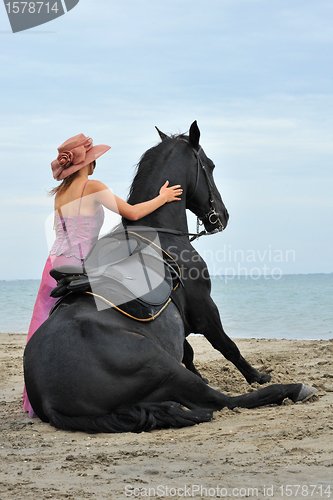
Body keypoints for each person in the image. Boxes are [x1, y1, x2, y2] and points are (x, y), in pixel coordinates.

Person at [23, 133, 183, 417]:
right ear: (87, 163)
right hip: (82, 262)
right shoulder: (92, 186)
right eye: (93, 158)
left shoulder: (60, 193)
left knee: (42, 323)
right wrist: (162, 198)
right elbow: (132, 213)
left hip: (54, 262)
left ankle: (33, 397)